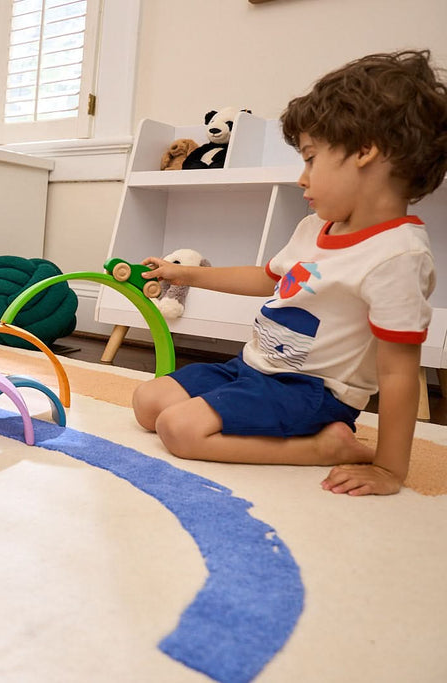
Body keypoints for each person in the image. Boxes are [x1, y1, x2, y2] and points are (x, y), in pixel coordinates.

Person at [132, 50, 447, 496]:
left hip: (311, 392)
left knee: (179, 430)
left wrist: (389, 468)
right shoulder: (315, 226)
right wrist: (186, 275)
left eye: (311, 159)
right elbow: (268, 278)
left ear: (365, 151)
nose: (302, 178)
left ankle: (323, 446)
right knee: (147, 402)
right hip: (253, 369)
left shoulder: (398, 255)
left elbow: (399, 372)